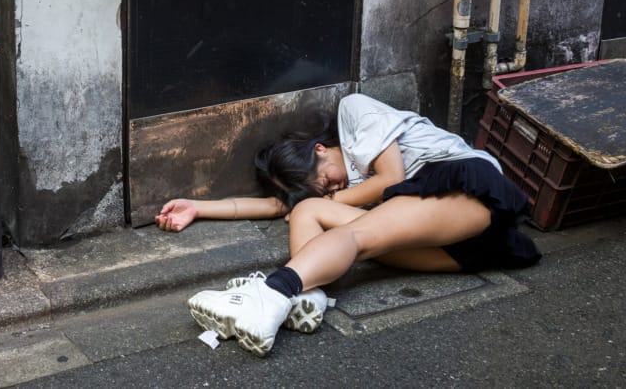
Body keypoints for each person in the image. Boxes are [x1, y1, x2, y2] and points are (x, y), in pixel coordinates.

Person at [155, 93, 540, 357]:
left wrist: (325, 198)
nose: (334, 189)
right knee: (308, 214)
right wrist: (198, 207)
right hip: (451, 250)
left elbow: (391, 178)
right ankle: (306, 296)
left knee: (350, 234)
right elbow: (278, 207)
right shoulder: (331, 193)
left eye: (324, 181)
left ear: (319, 150)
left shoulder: (355, 113)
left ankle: (273, 292)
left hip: (462, 192)